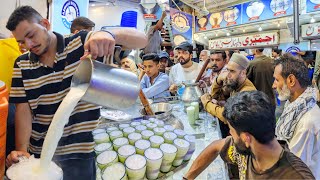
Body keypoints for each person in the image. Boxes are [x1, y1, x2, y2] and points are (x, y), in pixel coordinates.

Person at [5, 6, 147, 180]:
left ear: (45, 24)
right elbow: (23, 110)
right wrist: (21, 149)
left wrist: (108, 34)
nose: (28, 45)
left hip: (82, 150)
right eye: (21, 41)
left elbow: (142, 40)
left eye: (31, 35)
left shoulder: (81, 43)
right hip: (41, 156)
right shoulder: (22, 64)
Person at [185, 91, 315, 180]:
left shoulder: (295, 176)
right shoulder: (247, 150)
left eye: (231, 130)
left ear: (246, 138)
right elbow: (216, 146)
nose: (230, 134)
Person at [273, 54, 320, 179]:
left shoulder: (306, 122)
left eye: (277, 80)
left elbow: (292, 168)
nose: (274, 85)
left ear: (291, 80)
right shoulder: (295, 106)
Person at [201, 53, 256, 138]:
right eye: (227, 70)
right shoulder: (235, 84)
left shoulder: (247, 92)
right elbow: (215, 96)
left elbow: (227, 117)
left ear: (243, 73)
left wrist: (207, 104)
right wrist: (218, 80)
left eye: (232, 71)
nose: (228, 75)